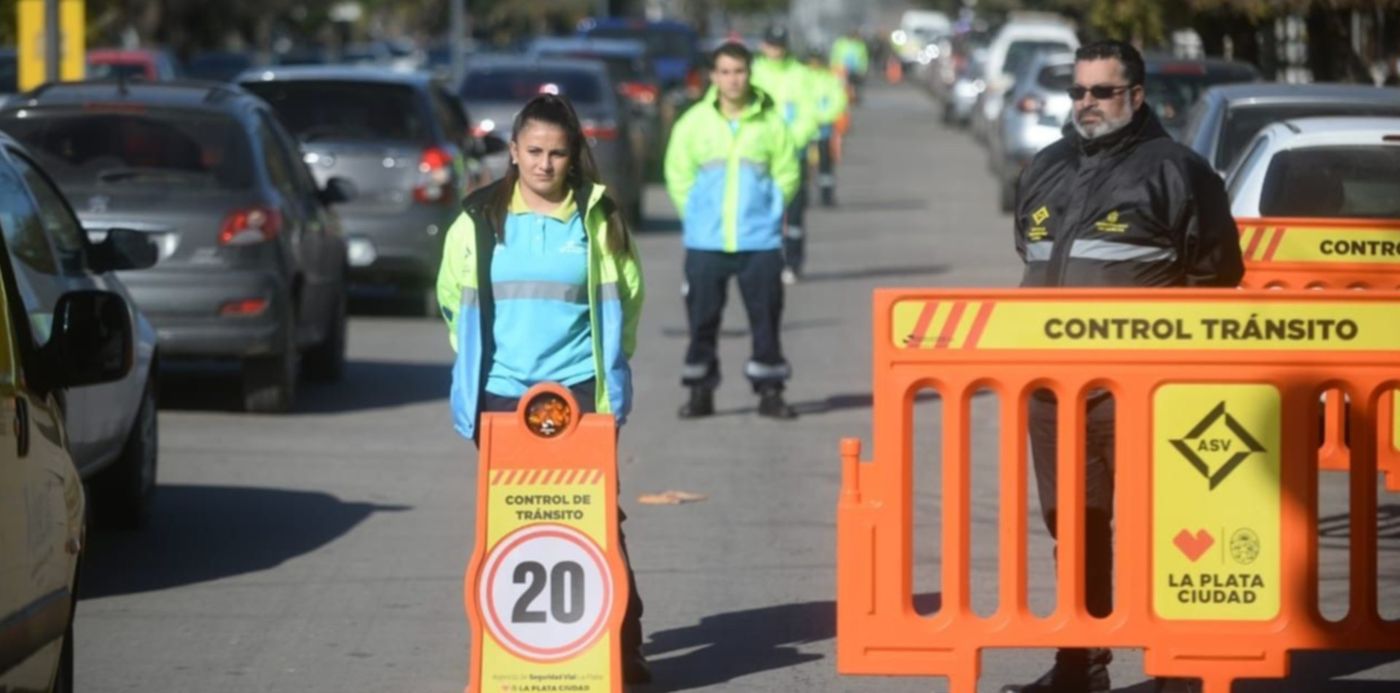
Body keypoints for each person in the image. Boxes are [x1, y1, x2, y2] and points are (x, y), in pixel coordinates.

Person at [1005, 41, 1243, 693]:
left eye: (1101, 92)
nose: (1086, 103)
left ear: (1136, 95)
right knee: (1074, 531)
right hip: (1055, 393)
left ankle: (1177, 667)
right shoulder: (1046, 167)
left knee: (1165, 533)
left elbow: (1216, 277)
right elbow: (1029, 252)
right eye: (1078, 92)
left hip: (1146, 394)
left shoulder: (1180, 170)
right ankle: (1080, 666)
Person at [434, 94, 650, 682]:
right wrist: (477, 366)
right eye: (533, 152)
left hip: (577, 394)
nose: (544, 165)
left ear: (573, 154)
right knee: (514, 521)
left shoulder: (596, 219)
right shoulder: (478, 219)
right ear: (512, 151)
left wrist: (610, 367)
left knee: (597, 520)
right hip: (502, 397)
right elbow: (454, 301)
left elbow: (625, 298)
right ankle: (520, 657)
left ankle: (621, 649)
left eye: (557, 153)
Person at [665, 41, 801, 420]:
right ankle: (699, 392)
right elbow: (678, 174)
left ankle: (770, 390)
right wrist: (693, 216)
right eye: (724, 72)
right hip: (706, 242)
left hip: (759, 240)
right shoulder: (694, 123)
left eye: (739, 71)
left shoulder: (770, 123)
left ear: (749, 73)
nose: (732, 80)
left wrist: (771, 212)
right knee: (702, 321)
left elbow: (787, 172)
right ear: (713, 76)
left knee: (766, 320)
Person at [752, 24, 820, 284]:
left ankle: (792, 262)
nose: (776, 51)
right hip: (760, 155)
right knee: (759, 210)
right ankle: (762, 262)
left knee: (793, 211)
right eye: (771, 45)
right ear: (763, 46)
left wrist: (791, 142)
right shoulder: (753, 73)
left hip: (793, 153)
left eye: (780, 46)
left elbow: (810, 113)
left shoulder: (800, 74)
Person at [805, 51, 850, 207]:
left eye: (817, 61)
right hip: (805, 130)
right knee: (804, 165)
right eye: (812, 61)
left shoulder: (830, 79)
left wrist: (824, 118)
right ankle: (803, 196)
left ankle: (826, 196)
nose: (815, 65)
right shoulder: (802, 79)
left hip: (824, 128)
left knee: (825, 164)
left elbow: (839, 100)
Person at [830, 28, 871, 103]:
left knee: (855, 85)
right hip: (842, 68)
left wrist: (863, 68)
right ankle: (845, 98)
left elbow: (863, 57)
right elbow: (835, 54)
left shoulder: (860, 45)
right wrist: (834, 65)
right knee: (843, 84)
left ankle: (854, 98)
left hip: (856, 68)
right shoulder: (841, 43)